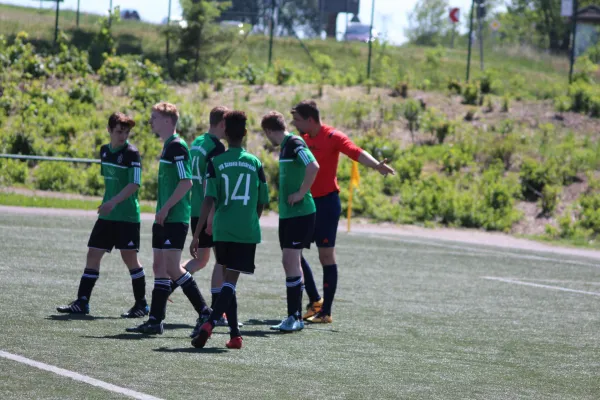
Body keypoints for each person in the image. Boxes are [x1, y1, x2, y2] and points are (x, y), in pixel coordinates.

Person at [291, 100, 395, 323]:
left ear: (310, 120)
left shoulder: (332, 137)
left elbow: (355, 152)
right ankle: (315, 300)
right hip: (307, 203)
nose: (294, 124)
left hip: (327, 204)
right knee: (294, 251)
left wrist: (376, 165)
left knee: (325, 255)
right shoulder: (302, 140)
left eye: (297, 120)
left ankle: (326, 311)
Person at [126, 102, 211, 334]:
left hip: (175, 218)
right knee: (159, 267)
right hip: (163, 218)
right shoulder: (167, 146)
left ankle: (204, 311)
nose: (150, 121)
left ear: (166, 120)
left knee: (173, 268)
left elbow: (187, 182)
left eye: (154, 117)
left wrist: (166, 208)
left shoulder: (177, 146)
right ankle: (155, 321)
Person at [190, 110, 269, 349]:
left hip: (222, 229)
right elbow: (262, 200)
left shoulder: (217, 162)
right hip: (246, 229)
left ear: (225, 132)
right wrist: (252, 220)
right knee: (230, 281)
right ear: (245, 133)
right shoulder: (255, 163)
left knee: (227, 279)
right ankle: (211, 323)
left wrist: (196, 234)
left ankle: (235, 336)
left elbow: (208, 199)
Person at [57, 112, 147, 318]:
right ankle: (82, 302)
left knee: (130, 259)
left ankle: (141, 305)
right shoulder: (104, 151)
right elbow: (112, 183)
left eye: (126, 132)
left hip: (127, 217)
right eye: (118, 131)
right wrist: (108, 202)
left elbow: (134, 184)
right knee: (93, 254)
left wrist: (113, 202)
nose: (123, 136)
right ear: (109, 130)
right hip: (107, 216)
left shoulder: (132, 153)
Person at [170, 106, 232, 336]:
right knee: (221, 261)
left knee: (202, 259)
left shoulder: (197, 141)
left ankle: (168, 286)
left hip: (195, 208)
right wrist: (212, 215)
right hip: (208, 209)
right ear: (223, 124)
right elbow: (210, 182)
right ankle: (219, 311)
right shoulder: (216, 147)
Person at [260, 111, 319, 333]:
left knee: (290, 260)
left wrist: (301, 193)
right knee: (290, 262)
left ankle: (293, 317)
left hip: (300, 213)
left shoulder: (294, 142)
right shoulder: (286, 145)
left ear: (268, 131)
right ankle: (295, 317)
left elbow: (313, 166)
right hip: (288, 214)